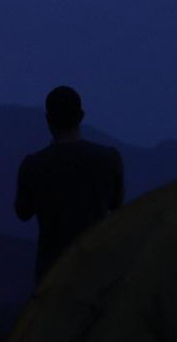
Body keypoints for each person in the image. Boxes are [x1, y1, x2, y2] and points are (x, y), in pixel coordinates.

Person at [15, 86, 124, 284]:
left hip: (51, 276)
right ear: (81, 116)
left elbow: (22, 212)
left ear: (48, 120)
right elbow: (116, 204)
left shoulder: (33, 165)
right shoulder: (109, 159)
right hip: (96, 273)